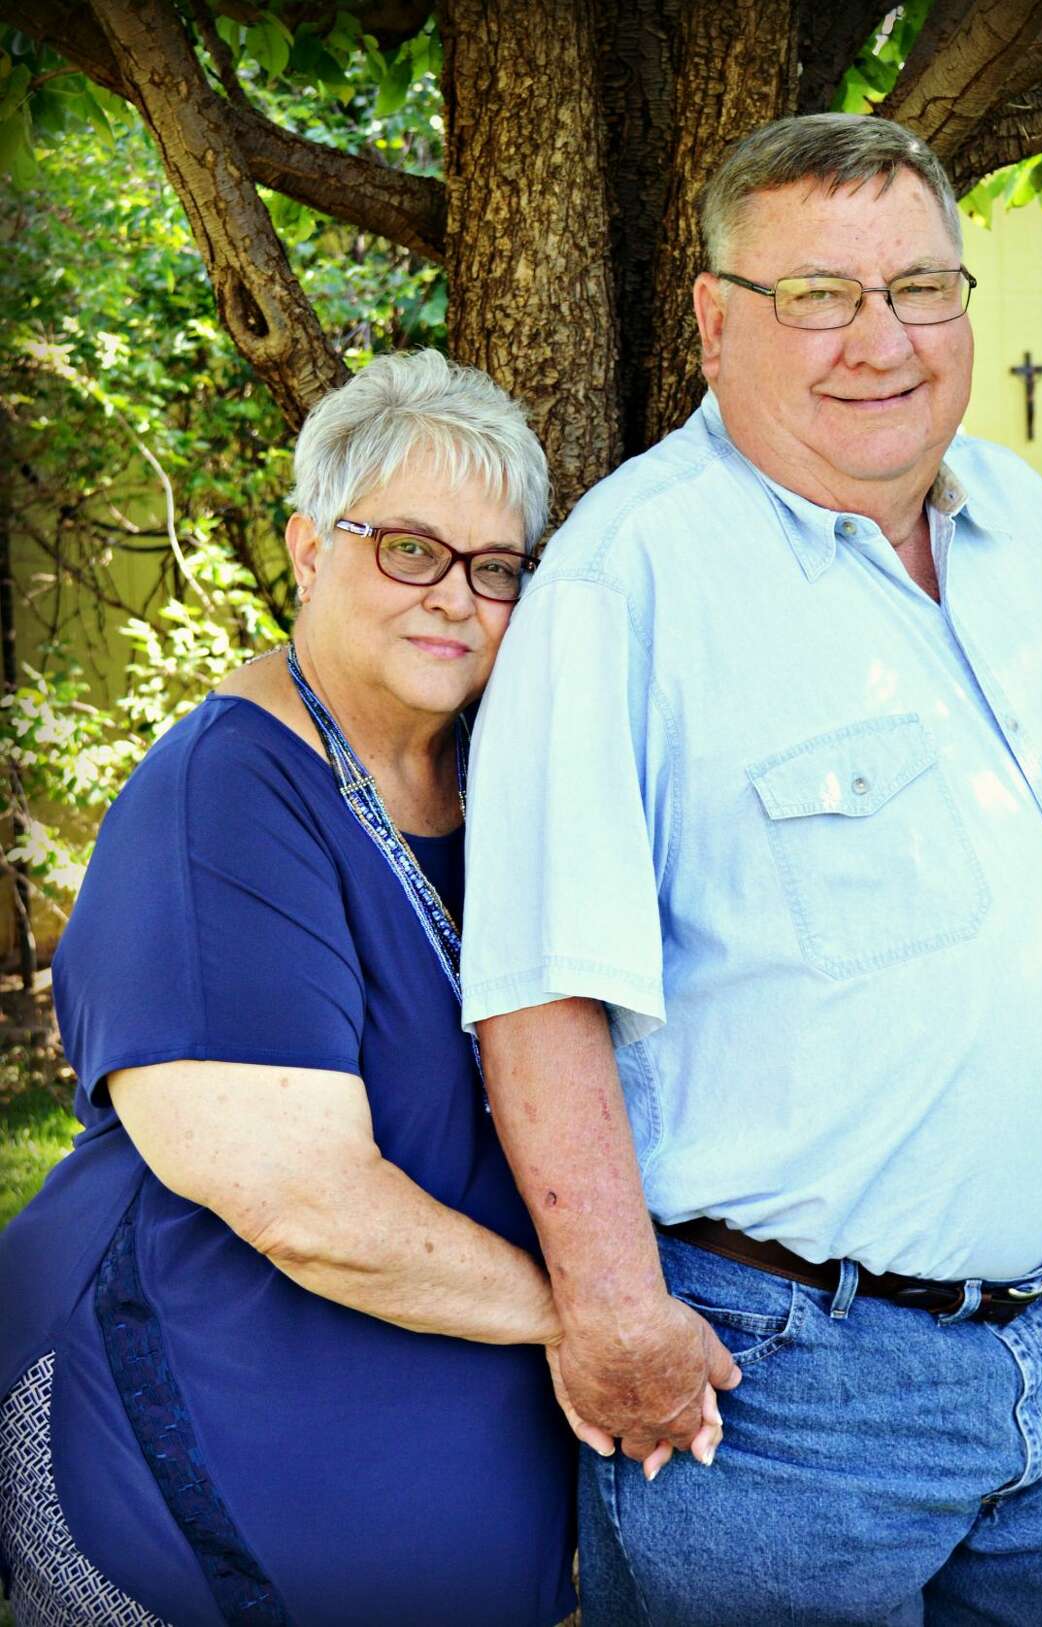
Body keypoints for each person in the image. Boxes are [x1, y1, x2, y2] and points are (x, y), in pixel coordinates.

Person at [459, 114, 1042, 1624]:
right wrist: (613, 1306)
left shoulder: (1032, 529)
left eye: (921, 286)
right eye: (819, 295)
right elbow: (538, 985)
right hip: (778, 1392)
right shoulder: (628, 583)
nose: (882, 339)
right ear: (718, 321)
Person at [0, 350, 625, 1627]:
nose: (455, 596)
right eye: (407, 547)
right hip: (183, 1482)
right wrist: (602, 1316)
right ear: (304, 546)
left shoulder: (496, 783)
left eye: (495, 567)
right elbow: (306, 1201)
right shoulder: (225, 795)